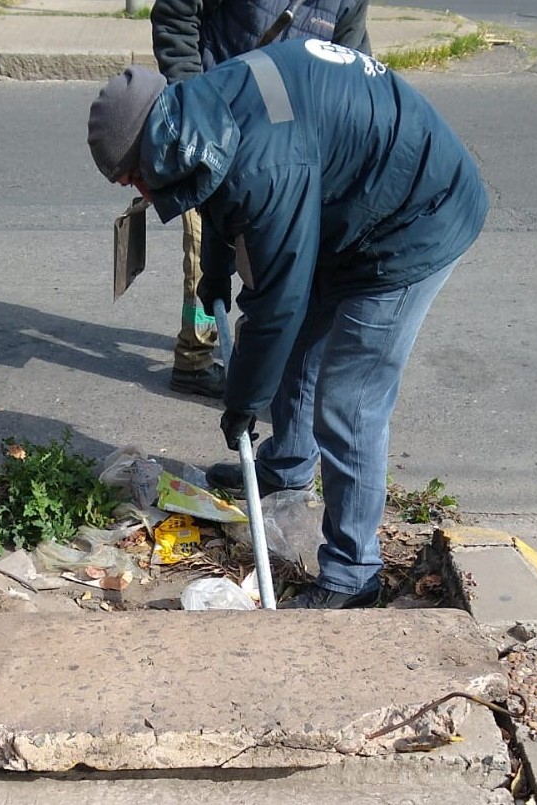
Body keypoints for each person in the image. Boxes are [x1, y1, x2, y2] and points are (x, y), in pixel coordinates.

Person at [86, 38, 488, 608]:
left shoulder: (264, 161)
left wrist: (243, 401)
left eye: (131, 179)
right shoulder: (203, 115)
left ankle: (353, 575)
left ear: (153, 152)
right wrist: (217, 272)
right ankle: (287, 469)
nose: (137, 193)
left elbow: (278, 301)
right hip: (351, 205)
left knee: (349, 400)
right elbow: (223, 194)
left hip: (415, 218)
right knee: (300, 343)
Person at [151, 0, 372, 398]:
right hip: (216, 127)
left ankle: (265, 362)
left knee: (278, 266)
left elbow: (350, 68)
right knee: (207, 248)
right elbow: (175, 14)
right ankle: (195, 356)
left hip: (288, 148)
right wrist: (194, 104)